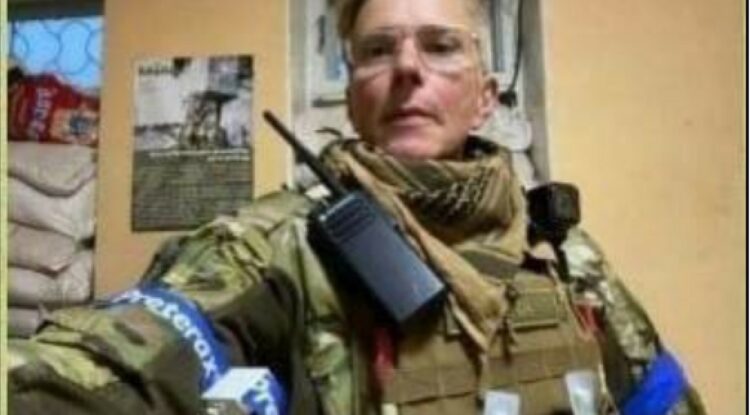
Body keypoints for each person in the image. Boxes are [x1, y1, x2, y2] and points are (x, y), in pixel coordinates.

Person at [8, 0, 705, 414]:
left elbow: (659, 396)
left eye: (440, 46)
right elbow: (112, 366)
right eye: (377, 50)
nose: (407, 68)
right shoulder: (274, 245)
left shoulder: (560, 251)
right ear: (352, 99)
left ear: (486, 97)